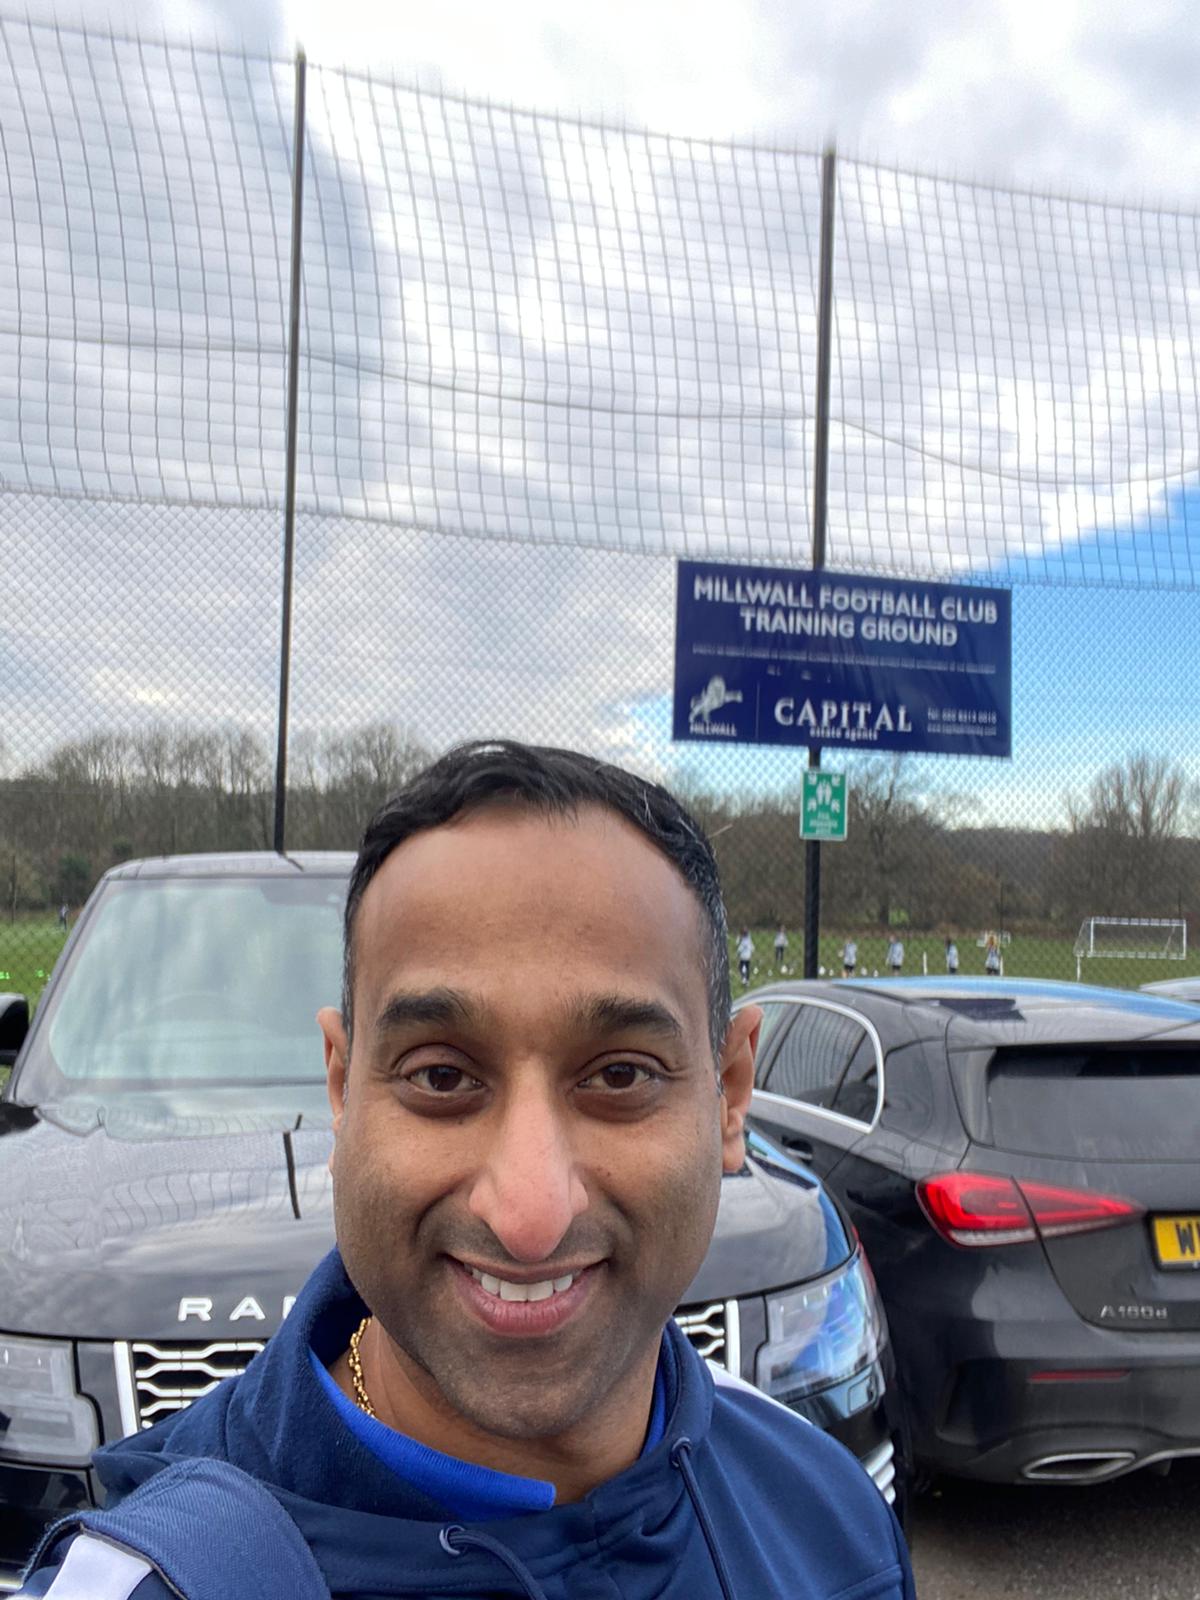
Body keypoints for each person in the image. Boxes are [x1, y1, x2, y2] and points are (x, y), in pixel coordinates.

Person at [17, 741, 914, 1600]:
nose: (530, 1216)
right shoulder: (153, 1584)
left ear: (728, 1092)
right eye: (441, 1077)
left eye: (620, 1076)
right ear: (342, 1086)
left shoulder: (832, 1522)